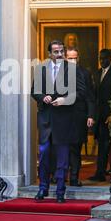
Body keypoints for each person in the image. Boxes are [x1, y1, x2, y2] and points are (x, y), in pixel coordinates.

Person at [31, 40, 86, 203]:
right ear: (49, 54)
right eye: (56, 51)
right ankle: (43, 189)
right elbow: (34, 91)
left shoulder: (73, 69)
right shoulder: (41, 69)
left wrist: (65, 99)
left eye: (61, 51)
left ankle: (60, 191)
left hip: (64, 119)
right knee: (44, 155)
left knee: (63, 158)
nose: (60, 54)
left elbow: (82, 92)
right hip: (46, 120)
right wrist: (43, 97)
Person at [65, 47, 95, 187]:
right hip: (62, 115)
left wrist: (90, 115)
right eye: (70, 58)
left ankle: (74, 178)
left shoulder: (85, 73)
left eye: (75, 58)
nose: (72, 60)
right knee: (62, 148)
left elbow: (90, 96)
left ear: (78, 58)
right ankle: (60, 177)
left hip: (79, 115)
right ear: (65, 58)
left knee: (76, 148)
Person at [89, 49, 111, 182]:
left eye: (105, 58)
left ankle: (107, 172)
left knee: (108, 145)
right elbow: (95, 95)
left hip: (110, 117)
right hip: (99, 116)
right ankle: (100, 172)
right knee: (102, 145)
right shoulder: (97, 73)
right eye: (100, 58)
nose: (102, 61)